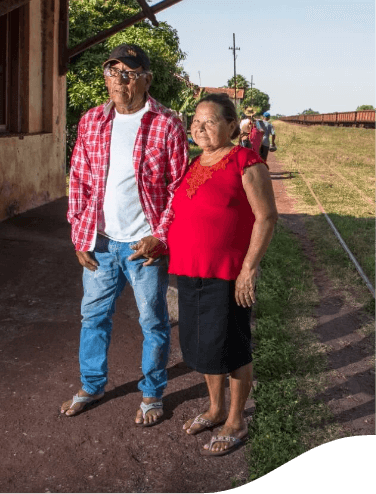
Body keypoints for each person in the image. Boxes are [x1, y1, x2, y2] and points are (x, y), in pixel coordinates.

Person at [61, 44, 190, 426]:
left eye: (129, 73)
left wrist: (161, 237)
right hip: (100, 242)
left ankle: (152, 393)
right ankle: (92, 384)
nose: (118, 80)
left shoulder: (167, 123)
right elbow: (80, 180)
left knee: (152, 322)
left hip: (144, 245)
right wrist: (79, 233)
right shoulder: (91, 120)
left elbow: (178, 189)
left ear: (146, 79)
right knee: (93, 317)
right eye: (112, 72)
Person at [167, 94, 278, 456]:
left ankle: (236, 420)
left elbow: (266, 217)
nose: (199, 127)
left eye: (209, 121)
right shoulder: (195, 163)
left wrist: (249, 267)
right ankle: (215, 409)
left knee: (232, 346)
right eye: (195, 121)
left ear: (232, 125)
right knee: (204, 346)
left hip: (228, 273)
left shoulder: (246, 161)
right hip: (190, 270)